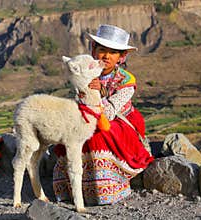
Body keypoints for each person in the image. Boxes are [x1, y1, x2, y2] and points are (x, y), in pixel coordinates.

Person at [53, 24, 154, 205]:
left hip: (119, 121)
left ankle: (105, 190)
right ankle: (73, 189)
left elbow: (109, 111)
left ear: (121, 57)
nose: (106, 56)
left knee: (97, 134)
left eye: (113, 52)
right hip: (90, 116)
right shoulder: (86, 74)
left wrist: (101, 91)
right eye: (102, 50)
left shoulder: (126, 81)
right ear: (93, 50)